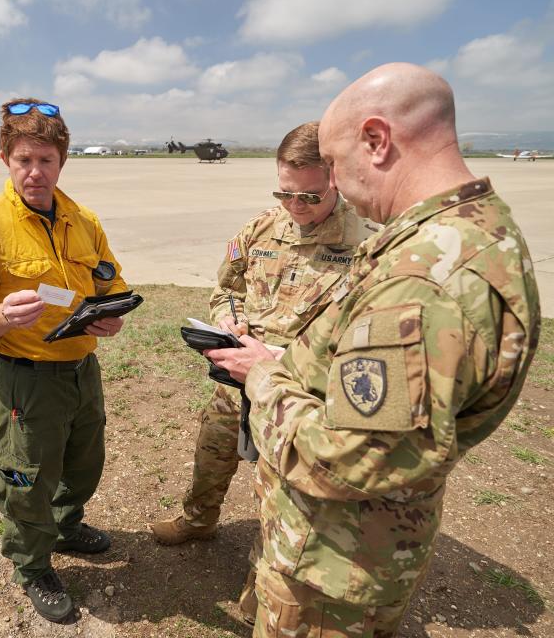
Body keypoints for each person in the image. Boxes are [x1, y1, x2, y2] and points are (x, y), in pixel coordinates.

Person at [206, 63, 541, 637]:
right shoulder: (468, 234)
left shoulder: (423, 280)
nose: (331, 185)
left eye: (333, 165)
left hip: (334, 562)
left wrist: (265, 377)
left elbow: (347, 460)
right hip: (336, 545)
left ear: (377, 140)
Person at [151, 121, 379, 623]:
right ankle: (198, 521)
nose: (295, 206)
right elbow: (225, 287)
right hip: (235, 381)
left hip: (298, 399)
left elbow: (368, 338)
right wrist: (226, 316)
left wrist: (292, 362)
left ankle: (266, 579)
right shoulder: (261, 227)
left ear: (337, 180)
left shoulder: (367, 246)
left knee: (283, 493)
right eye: (285, 192)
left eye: (309, 196)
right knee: (212, 455)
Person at [0, 98, 127, 623]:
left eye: (46, 160)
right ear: (6, 159)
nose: (35, 172)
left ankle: (67, 526)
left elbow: (111, 280)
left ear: (62, 161)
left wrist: (108, 314)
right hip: (24, 378)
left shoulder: (82, 220)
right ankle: (32, 565)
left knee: (83, 461)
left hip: (81, 368)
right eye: (24, 160)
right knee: (27, 476)